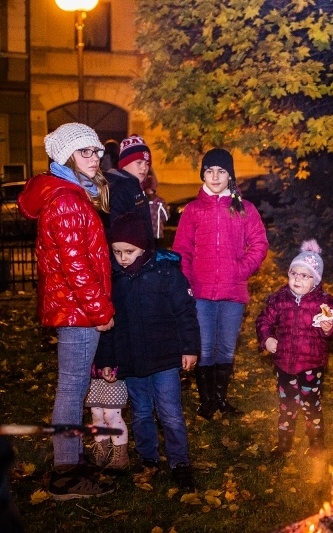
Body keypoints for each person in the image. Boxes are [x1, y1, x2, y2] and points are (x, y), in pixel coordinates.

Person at [17, 122, 116, 499]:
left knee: (72, 388)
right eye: (85, 152)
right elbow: (76, 268)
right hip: (77, 311)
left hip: (75, 309)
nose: (95, 158)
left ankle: (70, 460)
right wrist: (100, 310)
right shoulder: (67, 200)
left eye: (97, 152)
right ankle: (65, 474)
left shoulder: (70, 194)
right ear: (66, 157)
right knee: (72, 389)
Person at [95, 212, 201, 491]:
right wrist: (106, 360)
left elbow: (186, 313)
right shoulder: (114, 279)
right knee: (141, 412)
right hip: (131, 361)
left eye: (129, 251)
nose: (123, 257)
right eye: (116, 251)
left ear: (144, 247)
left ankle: (180, 463)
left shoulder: (166, 274)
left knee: (170, 412)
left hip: (165, 357)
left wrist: (190, 348)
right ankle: (148, 460)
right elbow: (108, 324)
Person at [172, 148, 268, 419]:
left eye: (221, 171)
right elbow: (182, 251)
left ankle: (220, 398)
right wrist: (187, 285)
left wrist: (241, 269)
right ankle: (206, 402)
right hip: (200, 293)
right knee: (204, 347)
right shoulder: (192, 210)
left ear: (230, 175)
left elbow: (259, 243)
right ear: (203, 174)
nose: (215, 177)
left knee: (225, 347)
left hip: (232, 292)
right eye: (209, 171)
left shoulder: (244, 209)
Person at [255, 240, 333, 457]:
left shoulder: (323, 304)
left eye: (305, 275)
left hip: (311, 365)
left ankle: (316, 444)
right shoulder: (280, 299)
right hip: (284, 364)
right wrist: (267, 338)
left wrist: (329, 328)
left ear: (316, 281)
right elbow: (263, 320)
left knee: (311, 405)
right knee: (287, 405)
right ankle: (284, 443)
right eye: (294, 273)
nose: (298, 278)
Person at [104, 134, 154, 240]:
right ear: (125, 163)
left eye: (147, 163)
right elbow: (117, 236)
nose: (144, 167)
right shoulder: (119, 190)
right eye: (139, 162)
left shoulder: (134, 188)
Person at [83, 362, 129, 473]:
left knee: (111, 415)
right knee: (97, 414)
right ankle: (102, 453)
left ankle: (121, 457)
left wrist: (114, 365)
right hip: (94, 371)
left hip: (113, 370)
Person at [141, 166, 170, 244]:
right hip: (157, 235)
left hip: (144, 235)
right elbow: (166, 217)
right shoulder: (159, 202)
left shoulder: (140, 201)